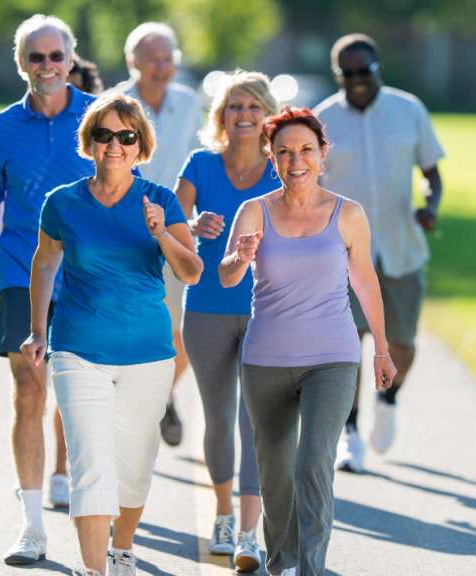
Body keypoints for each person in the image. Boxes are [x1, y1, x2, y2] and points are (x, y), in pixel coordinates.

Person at [20, 92, 203, 576]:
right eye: (104, 135)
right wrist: (38, 329)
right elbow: (44, 262)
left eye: (127, 136)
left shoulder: (160, 200)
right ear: (90, 142)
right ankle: (94, 570)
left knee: (134, 467)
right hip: (78, 349)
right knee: (91, 463)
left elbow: (191, 272)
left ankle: (123, 550)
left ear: (140, 145)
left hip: (148, 354)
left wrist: (162, 233)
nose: (115, 145)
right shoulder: (62, 203)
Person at [219, 106, 397, 576]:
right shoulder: (253, 211)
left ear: (322, 155)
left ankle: (311, 569)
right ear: (271, 158)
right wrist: (240, 258)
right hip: (265, 361)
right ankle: (283, 564)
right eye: (283, 152)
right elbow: (225, 276)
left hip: (333, 359)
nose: (295, 160)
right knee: (276, 475)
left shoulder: (348, 214)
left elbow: (366, 282)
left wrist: (380, 348)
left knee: (314, 461)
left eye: (305, 150)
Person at [0, 14, 99, 564]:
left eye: (55, 56)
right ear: (21, 63)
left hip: (90, 275)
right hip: (23, 273)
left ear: (70, 60)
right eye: (35, 57)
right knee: (29, 389)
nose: (46, 66)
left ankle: (75, 484)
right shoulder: (4, 126)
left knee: (83, 392)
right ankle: (31, 526)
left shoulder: (99, 118)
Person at [313, 33, 445, 474]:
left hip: (401, 248)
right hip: (344, 254)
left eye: (362, 71)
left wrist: (431, 205)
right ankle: (350, 433)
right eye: (346, 73)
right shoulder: (323, 119)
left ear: (378, 67)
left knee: (402, 345)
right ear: (337, 75)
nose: (355, 80)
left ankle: (388, 397)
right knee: (350, 346)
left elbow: (432, 173)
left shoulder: (409, 109)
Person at [175, 70, 278, 572]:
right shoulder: (199, 165)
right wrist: (192, 227)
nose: (244, 115)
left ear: (269, 116)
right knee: (217, 418)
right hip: (207, 311)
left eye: (254, 106)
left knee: (254, 422)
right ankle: (221, 514)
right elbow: (167, 227)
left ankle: (248, 533)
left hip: (267, 312)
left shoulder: (284, 170)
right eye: (234, 106)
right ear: (221, 116)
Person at [107, 22, 205, 446]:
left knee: (182, 331)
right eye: (153, 60)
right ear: (134, 63)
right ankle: (130, 406)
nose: (162, 67)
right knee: (128, 326)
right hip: (124, 235)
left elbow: (199, 163)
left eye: (168, 59)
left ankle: (161, 397)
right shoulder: (114, 103)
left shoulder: (188, 103)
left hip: (177, 231)